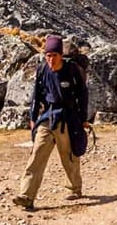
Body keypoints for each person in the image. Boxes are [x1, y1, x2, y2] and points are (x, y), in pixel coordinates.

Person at [13, 35, 90, 211]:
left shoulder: (71, 70)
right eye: (48, 56)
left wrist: (83, 118)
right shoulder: (42, 70)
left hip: (68, 119)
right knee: (37, 155)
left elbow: (82, 95)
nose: (50, 59)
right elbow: (36, 96)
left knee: (69, 157)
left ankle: (75, 188)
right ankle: (27, 195)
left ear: (60, 55)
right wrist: (33, 119)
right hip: (47, 118)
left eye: (54, 55)